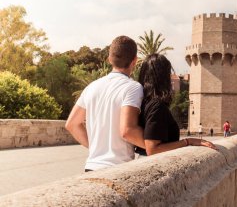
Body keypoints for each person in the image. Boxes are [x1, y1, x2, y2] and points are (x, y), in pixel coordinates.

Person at [66, 36, 145, 171]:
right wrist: (155, 146)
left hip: (91, 167)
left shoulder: (92, 87)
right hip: (118, 168)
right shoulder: (133, 87)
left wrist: (96, 149)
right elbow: (127, 131)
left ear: (109, 59)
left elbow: (72, 124)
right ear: (135, 61)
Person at [136, 54, 216, 156]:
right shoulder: (156, 106)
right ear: (163, 77)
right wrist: (188, 141)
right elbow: (152, 149)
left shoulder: (142, 101)